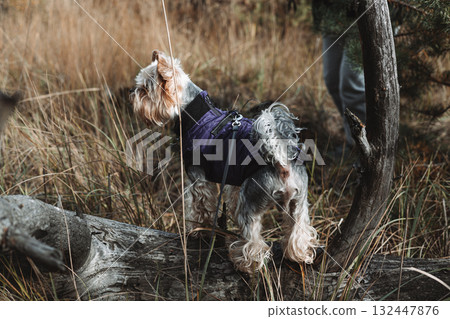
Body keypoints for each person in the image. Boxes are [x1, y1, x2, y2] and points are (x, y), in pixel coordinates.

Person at [312, 1, 366, 154]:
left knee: (351, 84)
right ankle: (352, 141)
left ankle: (364, 148)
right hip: (332, 11)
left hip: (365, 12)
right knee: (332, 79)